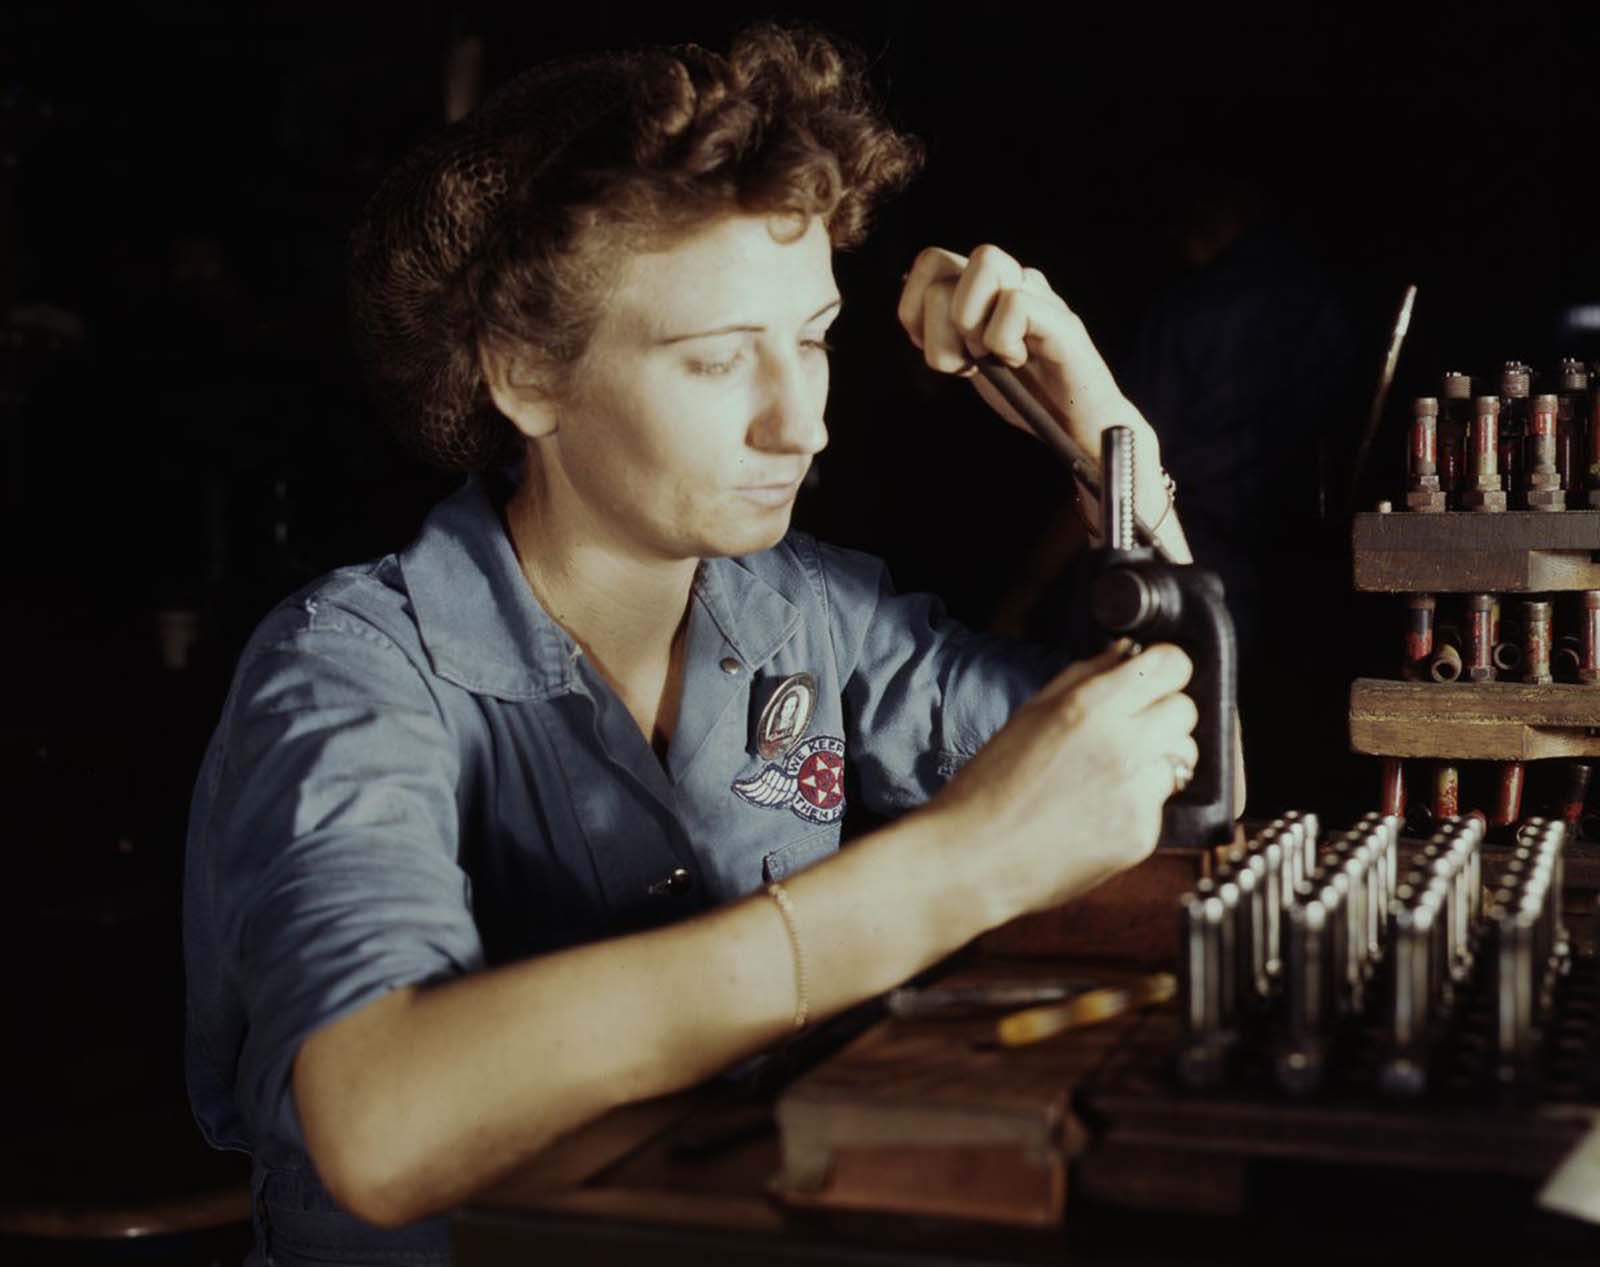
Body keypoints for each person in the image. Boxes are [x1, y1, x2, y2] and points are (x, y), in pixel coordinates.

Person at [183, 24, 1227, 1266]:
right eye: (720, 358)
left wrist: (1109, 449)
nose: (802, 425)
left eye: (814, 337)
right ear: (526, 375)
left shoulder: (816, 618)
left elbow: (1174, 784)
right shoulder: (348, 671)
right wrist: (955, 870)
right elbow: (381, 1121)